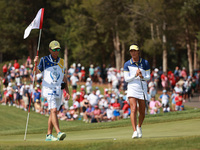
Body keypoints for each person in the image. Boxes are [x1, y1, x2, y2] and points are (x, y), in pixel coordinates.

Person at [34, 40, 70, 141]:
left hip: (58, 89)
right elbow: (35, 72)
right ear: (50, 50)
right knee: (53, 110)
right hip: (48, 88)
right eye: (54, 49)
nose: (56, 51)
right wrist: (35, 63)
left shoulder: (62, 61)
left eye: (58, 49)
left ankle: (49, 135)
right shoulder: (44, 60)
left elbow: (64, 77)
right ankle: (58, 132)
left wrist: (67, 91)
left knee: (54, 112)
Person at [123, 44, 150, 138]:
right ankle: (134, 131)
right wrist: (135, 75)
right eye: (131, 51)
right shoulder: (127, 64)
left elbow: (148, 77)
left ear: (138, 51)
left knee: (142, 111)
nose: (133, 53)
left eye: (134, 51)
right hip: (132, 89)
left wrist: (142, 76)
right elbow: (126, 79)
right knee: (133, 108)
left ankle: (139, 126)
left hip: (142, 89)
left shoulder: (145, 63)